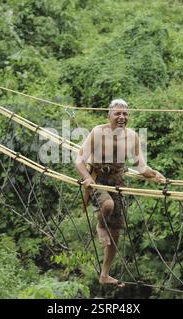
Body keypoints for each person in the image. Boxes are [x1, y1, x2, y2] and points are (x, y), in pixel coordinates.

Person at [75, 98, 166, 287]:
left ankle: (105, 274)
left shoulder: (132, 136)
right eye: (117, 113)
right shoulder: (97, 132)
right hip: (98, 179)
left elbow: (141, 167)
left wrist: (155, 174)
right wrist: (88, 178)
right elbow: (79, 160)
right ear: (109, 115)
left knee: (115, 233)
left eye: (125, 114)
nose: (122, 117)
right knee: (107, 205)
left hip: (117, 181)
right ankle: (101, 225)